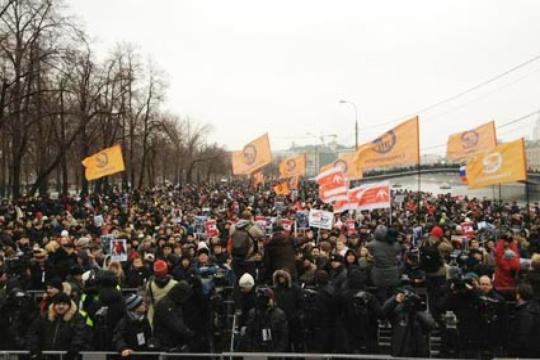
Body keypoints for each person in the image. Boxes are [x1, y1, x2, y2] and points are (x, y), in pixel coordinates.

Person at [27, 293, 87, 359]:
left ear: (69, 305)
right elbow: (33, 333)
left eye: (64, 304)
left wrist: (72, 352)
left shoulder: (77, 319)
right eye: (58, 304)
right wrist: (35, 350)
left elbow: (80, 336)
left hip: (67, 357)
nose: (61, 306)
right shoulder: (44, 317)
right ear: (54, 305)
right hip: (45, 357)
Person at [382, 287, 435, 357]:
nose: (407, 298)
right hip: (400, 349)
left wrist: (417, 306)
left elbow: (430, 325)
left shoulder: (418, 311)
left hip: (417, 350)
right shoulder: (397, 311)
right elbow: (383, 313)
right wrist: (394, 300)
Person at [241, 287, 289, 352]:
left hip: (273, 350)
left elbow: (284, 337)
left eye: (266, 299)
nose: (263, 301)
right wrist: (251, 351)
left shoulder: (280, 314)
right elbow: (248, 334)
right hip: (256, 350)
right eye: (261, 299)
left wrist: (276, 353)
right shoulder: (253, 313)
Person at [366, 225, 401, 301]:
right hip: (393, 272)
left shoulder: (371, 245)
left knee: (381, 295)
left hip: (379, 274)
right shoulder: (395, 244)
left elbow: (369, 256)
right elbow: (398, 256)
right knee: (393, 296)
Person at [507, 282, 540, 357]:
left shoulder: (524, 313)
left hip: (525, 353)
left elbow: (522, 336)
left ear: (518, 295)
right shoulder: (535, 308)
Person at [145, 259, 177, 329]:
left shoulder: (149, 284)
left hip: (154, 312)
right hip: (170, 312)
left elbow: (147, 298)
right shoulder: (174, 284)